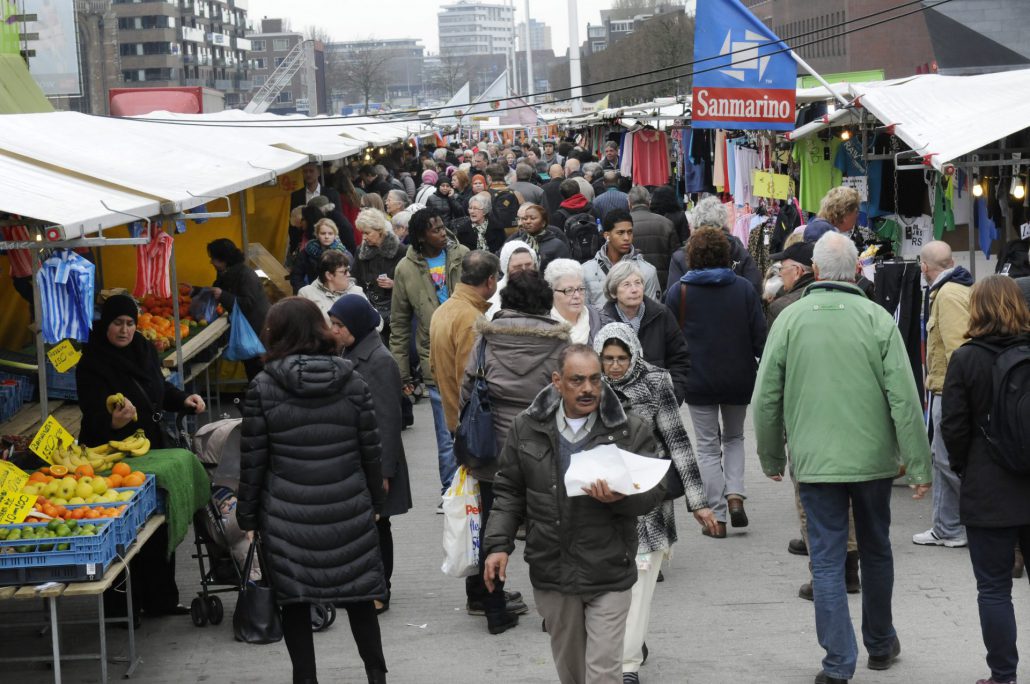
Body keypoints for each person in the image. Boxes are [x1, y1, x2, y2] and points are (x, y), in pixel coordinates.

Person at [753, 232, 932, 684]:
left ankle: (837, 663)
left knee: (827, 561)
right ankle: (880, 641)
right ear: (855, 271)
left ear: (814, 271)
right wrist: (918, 463)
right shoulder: (876, 319)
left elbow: (766, 396)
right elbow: (905, 398)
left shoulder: (789, 321)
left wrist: (771, 455)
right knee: (876, 550)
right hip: (872, 461)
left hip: (814, 462)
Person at [482, 344, 666, 684]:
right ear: (557, 381)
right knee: (573, 673)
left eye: (595, 380)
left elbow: (653, 495)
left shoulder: (629, 429)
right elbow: (508, 491)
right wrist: (497, 546)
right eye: (577, 380)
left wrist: (619, 499)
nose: (588, 389)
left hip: (609, 569)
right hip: (553, 570)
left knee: (603, 673)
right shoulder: (528, 427)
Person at [238, 297, 388, 684]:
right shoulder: (353, 380)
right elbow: (371, 450)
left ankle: (305, 679)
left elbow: (254, 459)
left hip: (287, 515)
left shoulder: (263, 387)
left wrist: (248, 516)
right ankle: (376, 674)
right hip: (348, 506)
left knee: (296, 602)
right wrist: (376, 502)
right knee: (359, 597)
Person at [592, 323, 716, 683]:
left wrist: (699, 503)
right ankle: (628, 643)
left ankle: (627, 664)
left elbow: (678, 442)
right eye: (608, 358)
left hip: (648, 501)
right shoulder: (586, 383)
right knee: (611, 587)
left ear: (634, 354)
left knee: (640, 585)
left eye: (622, 358)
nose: (614, 366)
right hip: (600, 502)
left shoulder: (656, 382)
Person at [76, 294, 206, 621]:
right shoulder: (92, 361)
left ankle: (162, 600)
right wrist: (112, 422)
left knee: (158, 526)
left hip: (153, 448)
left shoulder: (145, 349)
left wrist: (183, 399)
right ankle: (124, 609)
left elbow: (158, 390)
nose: (124, 330)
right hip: (112, 456)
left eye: (130, 323)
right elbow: (90, 411)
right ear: (105, 324)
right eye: (117, 323)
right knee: (124, 531)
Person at [459, 269, 568, 633]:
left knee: (495, 526)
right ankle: (553, 611)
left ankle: (493, 608)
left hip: (493, 449)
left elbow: (468, 390)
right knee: (550, 529)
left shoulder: (487, 341)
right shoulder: (558, 344)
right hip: (543, 449)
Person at [941, 276, 1030, 684]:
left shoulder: (966, 358)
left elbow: (953, 428)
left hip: (989, 485)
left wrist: (965, 467)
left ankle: (1003, 676)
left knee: (994, 589)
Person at [665, 227, 766, 535]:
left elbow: (671, 338)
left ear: (692, 256)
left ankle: (717, 517)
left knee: (708, 447)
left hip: (699, 377)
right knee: (735, 439)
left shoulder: (679, 291)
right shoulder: (744, 288)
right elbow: (759, 336)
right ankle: (735, 494)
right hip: (738, 375)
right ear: (727, 255)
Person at [328, 295, 413, 616]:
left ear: (357, 326)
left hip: (375, 463)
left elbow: (389, 421)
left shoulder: (379, 360)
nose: (334, 330)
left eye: (340, 325)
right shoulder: (351, 352)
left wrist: (383, 473)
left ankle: (380, 590)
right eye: (334, 324)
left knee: (378, 526)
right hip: (356, 458)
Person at [391, 208, 469, 497]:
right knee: (445, 432)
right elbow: (399, 323)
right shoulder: (405, 269)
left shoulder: (462, 254)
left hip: (469, 353)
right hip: (433, 359)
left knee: (473, 426)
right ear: (421, 236)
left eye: (442, 226)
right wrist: (401, 373)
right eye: (435, 229)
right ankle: (451, 491)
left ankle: (476, 486)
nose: (442, 233)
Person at [600, 260, 690, 406]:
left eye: (638, 283)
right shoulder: (602, 321)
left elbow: (679, 357)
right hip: (619, 408)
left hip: (660, 404)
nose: (635, 289)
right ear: (613, 291)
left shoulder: (662, 314)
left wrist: (674, 394)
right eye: (626, 284)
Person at [668, 196, 762, 294]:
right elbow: (755, 287)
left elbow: (673, 298)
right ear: (723, 222)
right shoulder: (738, 250)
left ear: (695, 224)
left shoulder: (681, 256)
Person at [207, 238, 271, 381]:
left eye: (213, 258)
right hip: (248, 329)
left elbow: (248, 302)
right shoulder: (225, 273)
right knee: (252, 369)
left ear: (224, 259)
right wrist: (195, 290)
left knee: (258, 370)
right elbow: (216, 288)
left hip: (256, 330)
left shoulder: (245, 274)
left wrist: (223, 295)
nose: (211, 262)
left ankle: (259, 399)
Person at [583, 208, 660, 310]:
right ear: (607, 235)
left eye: (630, 232)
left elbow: (654, 314)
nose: (626, 238)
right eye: (620, 233)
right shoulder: (585, 271)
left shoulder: (647, 271)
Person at [352, 209, 405, 344]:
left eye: (367, 233)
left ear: (380, 230)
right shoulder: (361, 251)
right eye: (362, 232)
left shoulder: (401, 251)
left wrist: (394, 284)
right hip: (369, 311)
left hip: (396, 311)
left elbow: (413, 283)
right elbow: (355, 278)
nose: (363, 237)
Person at [627, 186, 679, 292]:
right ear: (649, 202)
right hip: (662, 282)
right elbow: (675, 256)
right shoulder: (666, 223)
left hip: (631, 282)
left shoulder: (622, 226)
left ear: (629, 203)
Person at [545, 258, 602, 345]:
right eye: (569, 290)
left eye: (580, 289)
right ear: (552, 292)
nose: (577, 296)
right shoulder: (542, 325)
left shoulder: (601, 319)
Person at [298, 250, 366, 320]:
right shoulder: (307, 294)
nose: (349, 274)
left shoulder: (357, 291)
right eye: (344, 272)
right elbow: (302, 326)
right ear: (329, 275)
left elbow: (375, 322)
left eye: (348, 270)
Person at [290, 217, 352, 294]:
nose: (326, 236)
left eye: (330, 233)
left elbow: (350, 277)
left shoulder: (344, 254)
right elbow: (296, 275)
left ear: (335, 235)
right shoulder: (307, 252)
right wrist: (305, 292)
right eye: (323, 233)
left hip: (338, 293)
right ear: (317, 234)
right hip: (312, 292)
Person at [507, 203, 571, 273]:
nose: (527, 221)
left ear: (543, 222)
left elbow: (565, 272)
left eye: (532, 218)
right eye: (525, 219)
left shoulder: (557, 245)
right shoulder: (516, 243)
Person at [767, 241, 816, 327]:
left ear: (797, 271)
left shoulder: (780, 308)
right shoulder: (831, 296)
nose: (779, 274)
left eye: (781, 268)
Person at [486, 239, 538, 320]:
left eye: (528, 265)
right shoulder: (493, 296)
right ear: (506, 268)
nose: (524, 270)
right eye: (517, 267)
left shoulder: (544, 292)